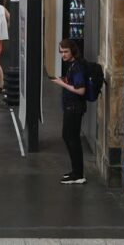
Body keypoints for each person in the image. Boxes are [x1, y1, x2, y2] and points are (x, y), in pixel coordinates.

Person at [50, 39, 88, 185]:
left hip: (74, 108)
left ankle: (78, 174)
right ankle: (76, 172)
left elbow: (80, 90)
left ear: (72, 51)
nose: (63, 55)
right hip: (71, 107)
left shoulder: (77, 67)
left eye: (66, 51)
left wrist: (62, 84)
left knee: (71, 138)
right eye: (61, 52)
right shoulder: (73, 65)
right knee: (68, 137)